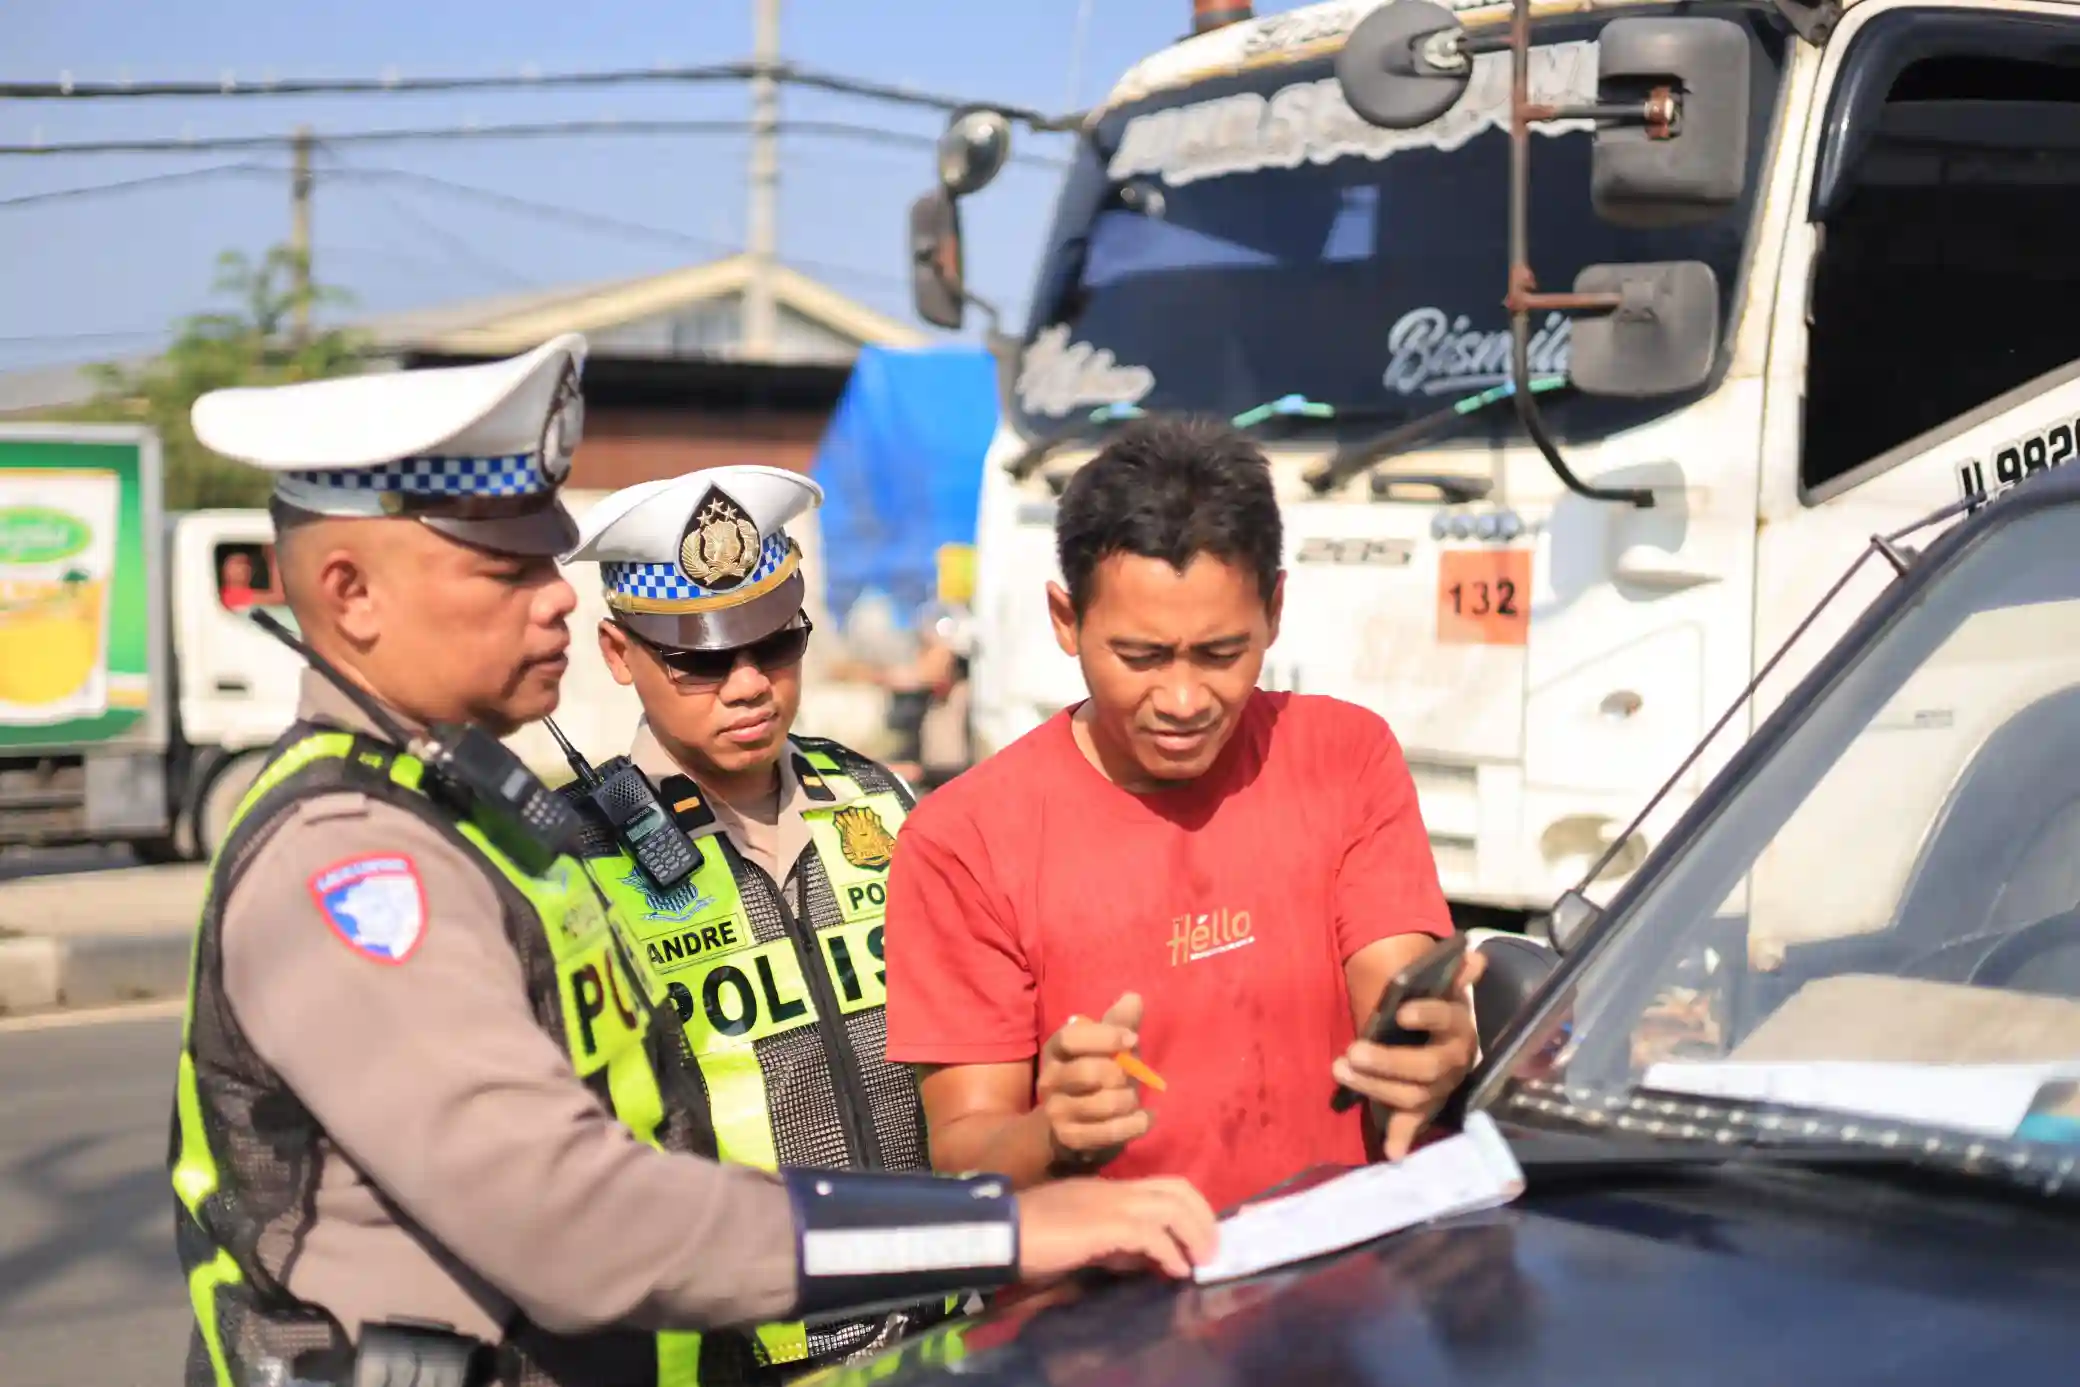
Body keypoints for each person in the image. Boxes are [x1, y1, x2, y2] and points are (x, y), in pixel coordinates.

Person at [168, 336, 1218, 1387]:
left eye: (775, 645)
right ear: (351, 593)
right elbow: (577, 1219)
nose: (560, 599)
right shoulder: (354, 860)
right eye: (509, 567)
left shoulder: (462, 814)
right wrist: (998, 1231)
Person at [881, 416, 1486, 1213]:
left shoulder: (1345, 755)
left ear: (1274, 609)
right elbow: (965, 1152)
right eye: (1140, 657)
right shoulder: (964, 841)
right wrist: (1051, 1132)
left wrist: (1429, 1051)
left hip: (1339, 1282)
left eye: (1220, 653)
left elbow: (1396, 1002)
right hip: (1105, 1316)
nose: (1182, 700)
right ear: (1066, 620)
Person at [558, 465, 954, 1378]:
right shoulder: (573, 861)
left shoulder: (875, 798)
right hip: (736, 1353)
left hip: (937, 1327)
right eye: (700, 659)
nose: (748, 686)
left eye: (775, 647)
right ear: (620, 655)